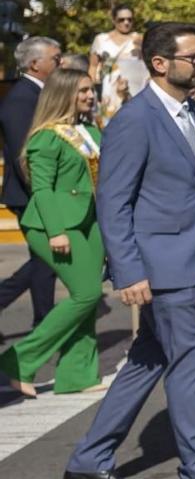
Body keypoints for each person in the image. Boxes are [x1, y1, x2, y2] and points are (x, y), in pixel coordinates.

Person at [62, 23, 195, 479]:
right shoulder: (135, 119)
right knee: (191, 356)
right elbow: (113, 201)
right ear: (160, 63)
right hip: (160, 262)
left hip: (191, 253)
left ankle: (89, 461)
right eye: (194, 57)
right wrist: (128, 270)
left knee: (148, 360)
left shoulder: (193, 111)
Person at [0, 68, 106, 395]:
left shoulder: (89, 130)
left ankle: (77, 375)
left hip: (91, 221)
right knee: (86, 294)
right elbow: (42, 190)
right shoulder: (46, 136)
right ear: (63, 95)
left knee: (88, 297)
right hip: (53, 225)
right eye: (83, 91)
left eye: (90, 90)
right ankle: (17, 360)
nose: (90, 95)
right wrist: (56, 231)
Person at [0, 36, 60, 331]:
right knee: (46, 260)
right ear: (35, 64)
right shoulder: (22, 98)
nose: (60, 64)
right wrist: (43, 197)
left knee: (44, 260)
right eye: (56, 59)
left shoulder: (38, 94)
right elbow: (24, 155)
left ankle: (44, 323)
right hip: (28, 196)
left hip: (37, 195)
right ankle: (44, 324)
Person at [89, 5, 143, 110]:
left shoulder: (139, 39)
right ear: (114, 20)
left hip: (132, 90)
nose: (126, 23)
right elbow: (93, 67)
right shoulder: (101, 40)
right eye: (121, 20)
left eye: (129, 19)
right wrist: (92, 90)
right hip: (108, 90)